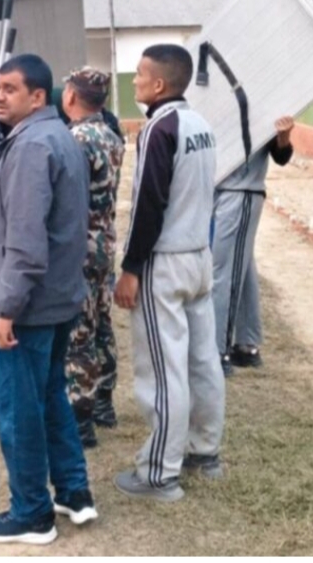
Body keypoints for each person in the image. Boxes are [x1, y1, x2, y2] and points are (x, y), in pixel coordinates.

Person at [0, 53, 96, 545]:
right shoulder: (58, 135)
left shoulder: (31, 146)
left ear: (38, 96)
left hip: (31, 306)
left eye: (10, 89)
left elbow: (25, 242)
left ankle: (31, 513)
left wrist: (6, 309)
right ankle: (74, 492)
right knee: (49, 397)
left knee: (18, 409)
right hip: (58, 296)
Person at [113, 44, 224, 503]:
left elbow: (148, 205)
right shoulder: (200, 125)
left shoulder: (159, 128)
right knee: (202, 360)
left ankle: (159, 474)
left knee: (163, 370)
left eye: (140, 74)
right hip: (198, 255)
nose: (134, 80)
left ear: (159, 84)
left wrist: (131, 268)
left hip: (166, 261)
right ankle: (205, 450)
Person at [59, 67, 124, 447]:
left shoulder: (75, 140)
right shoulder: (111, 135)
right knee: (102, 324)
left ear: (71, 96)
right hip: (103, 245)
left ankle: (81, 420)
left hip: (79, 249)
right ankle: (104, 403)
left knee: (79, 333)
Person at [211, 116, 294, 374]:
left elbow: (280, 155)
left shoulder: (259, 103)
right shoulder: (219, 100)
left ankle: (218, 352)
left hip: (241, 190)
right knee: (241, 266)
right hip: (224, 189)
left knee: (223, 273)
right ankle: (247, 345)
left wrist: (283, 138)